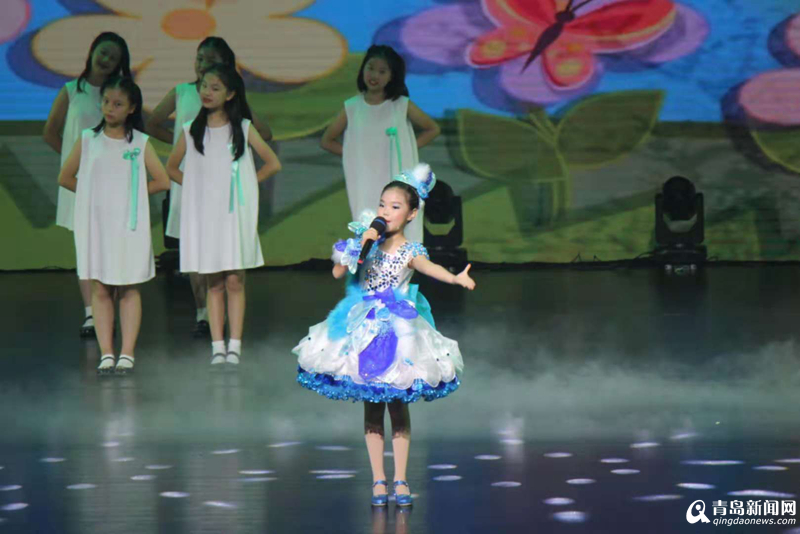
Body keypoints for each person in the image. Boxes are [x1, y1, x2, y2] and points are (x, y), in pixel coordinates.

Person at [293, 163, 475, 507]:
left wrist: (454, 278)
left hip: (399, 332)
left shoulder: (410, 251)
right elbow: (337, 273)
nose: (386, 212)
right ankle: (378, 479)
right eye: (382, 205)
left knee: (398, 407)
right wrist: (359, 246)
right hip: (363, 327)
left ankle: (401, 478)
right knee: (372, 408)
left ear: (411, 214)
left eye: (395, 206)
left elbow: (430, 268)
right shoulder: (368, 242)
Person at [146, 36, 273, 337]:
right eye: (199, 58)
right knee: (192, 246)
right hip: (192, 181)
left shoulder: (232, 103)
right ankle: (202, 311)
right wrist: (187, 150)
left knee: (225, 253)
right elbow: (152, 124)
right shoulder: (182, 93)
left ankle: (224, 315)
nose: (202, 64)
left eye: (211, 60)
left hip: (223, 188)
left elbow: (264, 133)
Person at [166, 64, 281, 369]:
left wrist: (245, 184)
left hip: (234, 213)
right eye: (204, 86)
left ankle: (235, 345)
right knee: (213, 281)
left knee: (234, 280)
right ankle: (217, 346)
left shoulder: (242, 127)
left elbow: (272, 163)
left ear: (230, 94)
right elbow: (171, 168)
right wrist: (195, 187)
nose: (207, 92)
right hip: (206, 214)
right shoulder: (191, 129)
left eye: (215, 88)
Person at [58, 76, 170, 374]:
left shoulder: (140, 143)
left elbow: (162, 180)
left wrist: (130, 195)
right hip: (96, 224)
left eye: (118, 104)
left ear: (132, 108)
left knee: (128, 287)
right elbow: (65, 177)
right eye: (106, 101)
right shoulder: (88, 139)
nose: (110, 108)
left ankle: (127, 353)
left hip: (129, 226)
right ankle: (107, 352)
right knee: (101, 286)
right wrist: (93, 195)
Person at [43, 32, 132, 338]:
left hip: (114, 183)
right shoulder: (72, 91)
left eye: (113, 58)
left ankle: (111, 310)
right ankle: (91, 314)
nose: (106, 60)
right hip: (79, 183)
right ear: (93, 51)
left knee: (112, 248)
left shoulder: (119, 94)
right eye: (103, 52)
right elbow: (50, 132)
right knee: (86, 249)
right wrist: (75, 165)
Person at [320, 45, 440, 243]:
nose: (374, 75)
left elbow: (432, 129)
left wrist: (407, 148)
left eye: (382, 71)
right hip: (365, 178)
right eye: (370, 68)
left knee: (402, 227)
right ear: (363, 70)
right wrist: (354, 154)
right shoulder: (352, 107)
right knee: (369, 225)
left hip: (396, 176)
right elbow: (327, 141)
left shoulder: (400, 105)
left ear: (392, 76)